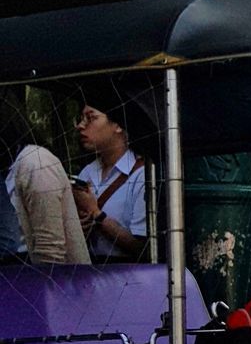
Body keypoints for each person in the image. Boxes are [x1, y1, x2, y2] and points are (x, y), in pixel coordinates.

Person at [0, 97, 89, 265]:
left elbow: (51, 250)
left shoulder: (36, 162)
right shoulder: (7, 168)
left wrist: (43, 290)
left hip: (48, 280)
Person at [73, 99, 148, 262]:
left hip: (128, 273)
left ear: (118, 126)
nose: (80, 125)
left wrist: (96, 214)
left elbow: (142, 248)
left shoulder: (141, 174)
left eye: (91, 118)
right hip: (88, 273)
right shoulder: (86, 173)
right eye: (81, 118)